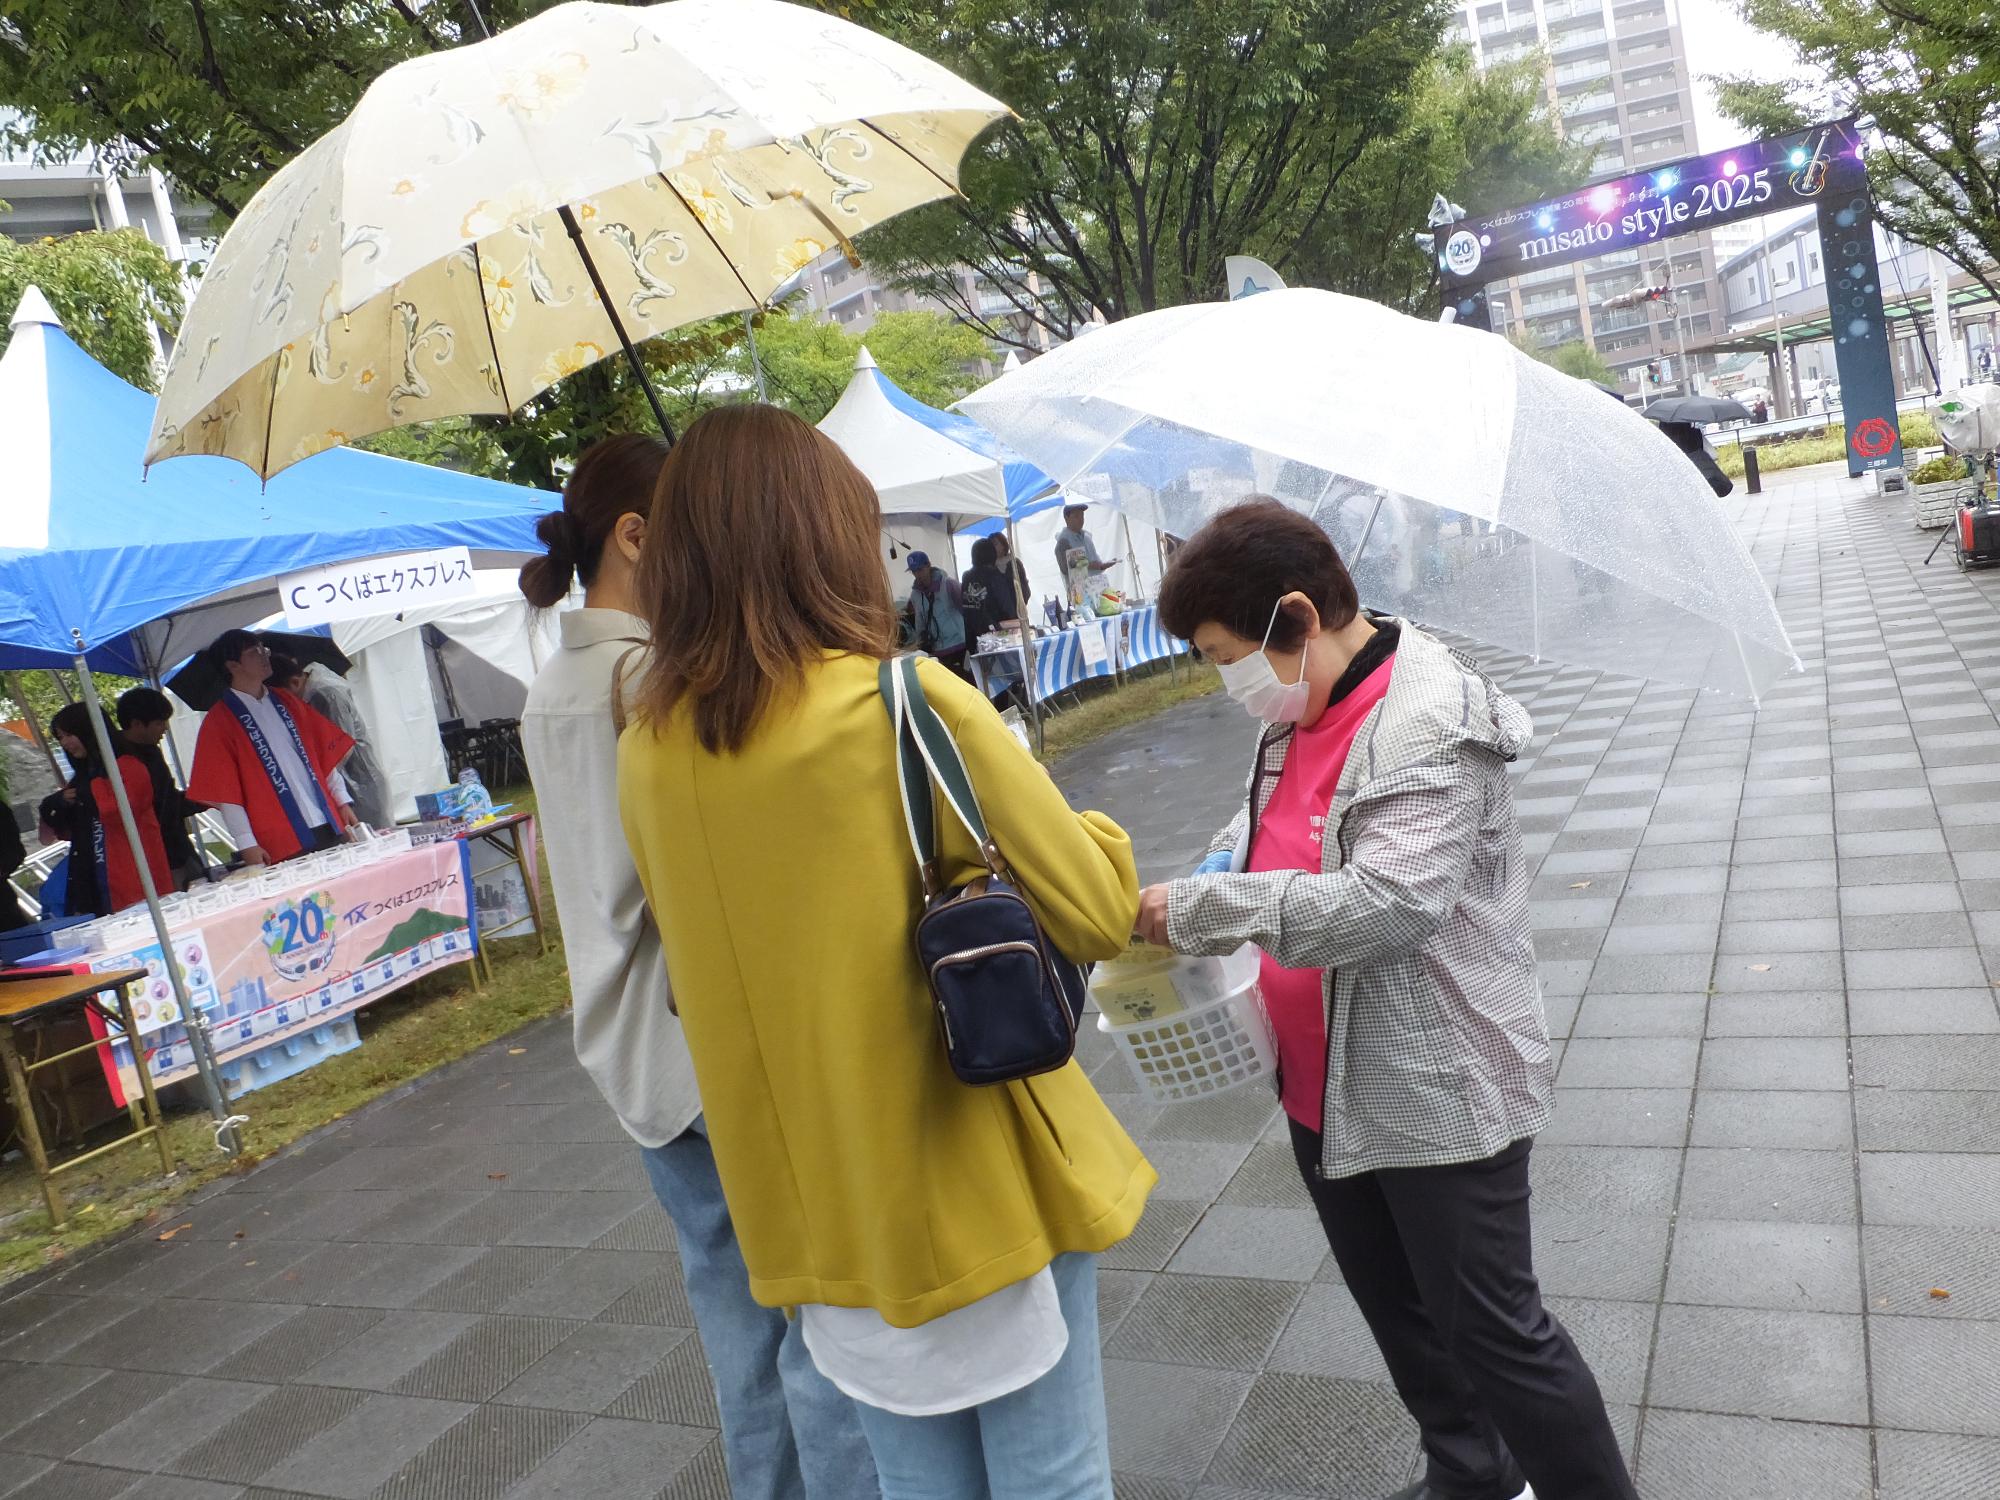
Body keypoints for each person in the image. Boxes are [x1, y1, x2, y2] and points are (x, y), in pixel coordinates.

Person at [620, 404, 1153, 1499]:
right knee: (1052, 1480)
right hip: (966, 1175)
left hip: (815, 1211)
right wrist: (1081, 822)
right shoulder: (903, 703)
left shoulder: (649, 752)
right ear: (824, 539)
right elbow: (1096, 908)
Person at [1137, 499, 1637, 1500]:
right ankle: (1471, 1475)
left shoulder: (1427, 719)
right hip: (1322, 1083)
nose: (1228, 682)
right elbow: (1279, 828)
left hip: (1435, 1081)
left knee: (1497, 1337)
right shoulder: (1301, 703)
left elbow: (1391, 903)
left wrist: (1204, 905)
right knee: (1401, 1316)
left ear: (1296, 616)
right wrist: (1230, 859)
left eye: (1225, 656)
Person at [520, 433, 879, 1500]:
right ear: (638, 536)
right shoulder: (647, 680)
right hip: (714, 1044)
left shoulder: (556, 683)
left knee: (739, 1330)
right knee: (824, 1322)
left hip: (634, 1052)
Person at [186, 630, 358, 866]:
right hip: (277, 835)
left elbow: (322, 756)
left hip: (325, 818)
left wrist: (341, 800)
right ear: (233, 665)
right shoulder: (219, 722)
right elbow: (226, 791)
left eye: (263, 649)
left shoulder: (287, 700)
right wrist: (246, 842)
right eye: (253, 652)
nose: (264, 655)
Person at [49, 702, 174, 915]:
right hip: (95, 880)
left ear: (88, 730)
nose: (65, 743)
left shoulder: (128, 766)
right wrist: (58, 803)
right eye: (60, 738)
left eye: (69, 735)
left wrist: (88, 791)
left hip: (133, 874)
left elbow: (118, 812)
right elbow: (67, 831)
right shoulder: (82, 776)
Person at [269, 658, 392, 832]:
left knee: (372, 834)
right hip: (348, 780)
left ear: (295, 683)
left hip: (358, 780)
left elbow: (341, 747)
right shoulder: (316, 692)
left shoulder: (326, 695)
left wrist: (319, 779)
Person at [117, 686, 211, 887]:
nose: (165, 728)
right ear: (136, 724)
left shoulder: (150, 751)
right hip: (157, 855)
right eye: (159, 723)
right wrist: (199, 799)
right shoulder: (120, 760)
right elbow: (163, 806)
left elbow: (168, 799)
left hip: (177, 846)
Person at [904, 551, 970, 680]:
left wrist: (972, 640)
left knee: (968, 683)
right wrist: (920, 643)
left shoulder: (949, 584)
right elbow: (919, 620)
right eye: (914, 571)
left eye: (920, 570)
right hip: (938, 650)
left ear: (928, 565)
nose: (917, 575)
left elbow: (966, 611)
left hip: (961, 645)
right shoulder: (915, 595)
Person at [959, 536, 1019, 638]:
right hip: (997, 637)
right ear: (992, 554)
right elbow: (1007, 607)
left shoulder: (966, 577)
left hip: (973, 635)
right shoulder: (994, 576)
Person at [1051, 503, 1118, 591]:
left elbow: (1095, 561)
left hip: (1098, 587)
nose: (1081, 519)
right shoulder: (1063, 541)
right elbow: (1065, 569)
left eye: (1082, 516)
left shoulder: (1087, 537)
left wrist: (1103, 565)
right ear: (1066, 518)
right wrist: (1089, 565)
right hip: (1080, 593)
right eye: (1076, 516)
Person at [990, 531, 1032, 612]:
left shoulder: (1015, 562)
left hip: (1018, 609)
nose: (992, 548)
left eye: (995, 544)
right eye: (990, 545)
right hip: (999, 613)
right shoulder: (990, 567)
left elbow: (1024, 586)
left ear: (1003, 545)